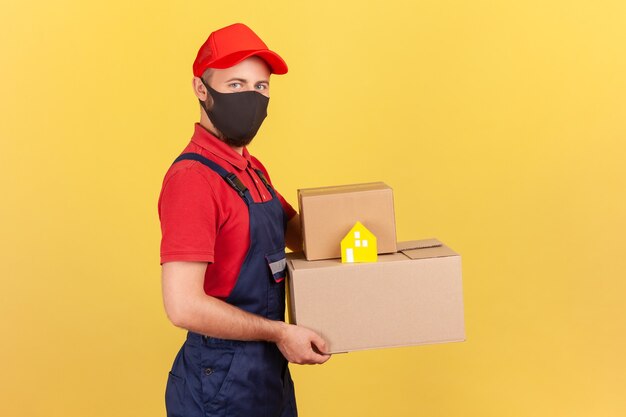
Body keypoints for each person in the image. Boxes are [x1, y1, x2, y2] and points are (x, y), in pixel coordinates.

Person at [157, 23, 330, 417]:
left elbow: (299, 236)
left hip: (269, 370)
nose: (252, 97)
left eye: (260, 87)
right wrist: (280, 332)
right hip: (219, 378)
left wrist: (356, 220)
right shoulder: (193, 180)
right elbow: (182, 306)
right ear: (202, 89)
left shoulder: (250, 168)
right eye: (236, 85)